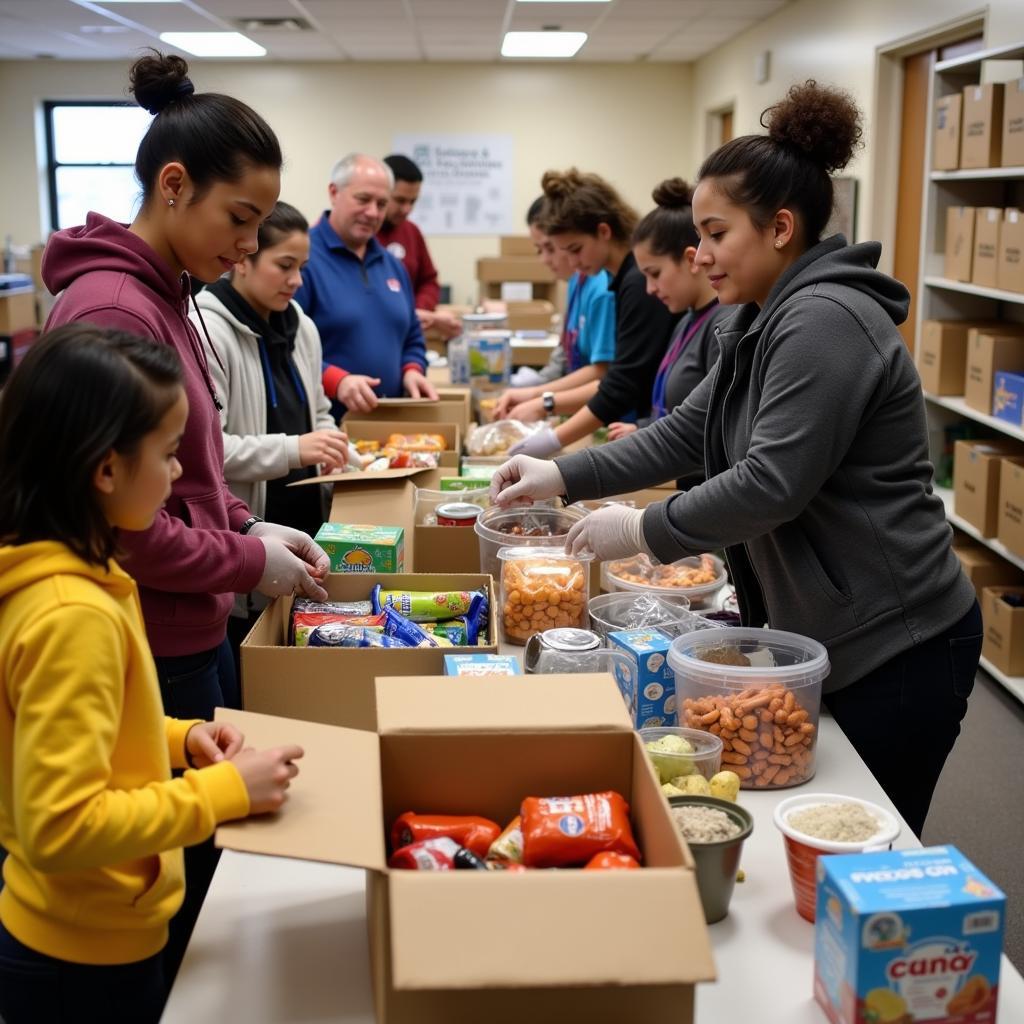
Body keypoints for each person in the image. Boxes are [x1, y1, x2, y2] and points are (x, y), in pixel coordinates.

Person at [491, 81, 980, 838]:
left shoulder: (824, 322)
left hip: (896, 639)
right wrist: (564, 472)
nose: (700, 255)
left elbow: (770, 485)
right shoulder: (756, 319)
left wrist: (645, 529)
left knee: (858, 836)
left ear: (781, 227)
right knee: (806, 816)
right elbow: (690, 431)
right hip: (830, 626)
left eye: (715, 233)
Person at [40, 50, 329, 985]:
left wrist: (241, 526)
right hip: (157, 628)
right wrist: (244, 560)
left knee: (199, 886)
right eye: (238, 220)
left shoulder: (167, 297)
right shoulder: (118, 310)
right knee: (180, 904)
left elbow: (183, 470)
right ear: (174, 186)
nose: (247, 247)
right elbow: (125, 522)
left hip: (185, 617)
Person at [0, 326, 304, 1023]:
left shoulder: (77, 568)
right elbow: (60, 824)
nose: (177, 477)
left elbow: (93, 727)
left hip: (87, 929)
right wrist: (220, 792)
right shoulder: (70, 613)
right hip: (80, 954)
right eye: (168, 456)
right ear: (105, 470)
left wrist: (180, 739)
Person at [193, 201, 348, 657]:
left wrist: (336, 449)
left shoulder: (302, 327)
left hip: (303, 523)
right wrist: (295, 448)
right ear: (242, 260)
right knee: (256, 661)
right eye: (284, 265)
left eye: (302, 267)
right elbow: (208, 451)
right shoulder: (208, 331)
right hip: (248, 533)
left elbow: (320, 412)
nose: (296, 280)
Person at [508, 169, 679, 457]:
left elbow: (622, 381)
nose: (572, 262)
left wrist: (552, 435)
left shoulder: (637, 283)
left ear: (603, 231)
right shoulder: (622, 279)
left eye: (576, 249)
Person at [607, 178, 733, 486]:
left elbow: (718, 439)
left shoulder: (724, 327)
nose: (650, 289)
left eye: (655, 274)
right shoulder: (685, 320)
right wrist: (644, 428)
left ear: (691, 260)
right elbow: (681, 412)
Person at [295, 152, 438, 416]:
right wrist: (335, 380)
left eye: (382, 204)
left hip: (388, 423)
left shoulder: (392, 265)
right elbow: (286, 347)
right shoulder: (301, 260)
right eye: (363, 200)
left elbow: (412, 337)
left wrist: (412, 369)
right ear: (334, 193)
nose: (372, 212)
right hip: (325, 427)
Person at [495, 196, 616, 423]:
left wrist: (539, 397)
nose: (545, 259)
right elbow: (566, 353)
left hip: (605, 418)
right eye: (539, 250)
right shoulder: (575, 281)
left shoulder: (601, 290)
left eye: (550, 248)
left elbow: (603, 371)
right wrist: (535, 388)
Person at [378, 154, 461, 340]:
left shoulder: (412, 232)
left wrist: (418, 310)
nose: (407, 209)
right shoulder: (362, 234)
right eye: (399, 200)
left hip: (409, 334)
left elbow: (429, 280)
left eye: (413, 201)